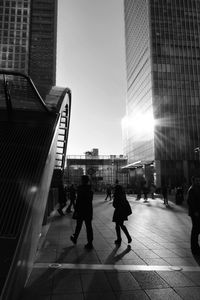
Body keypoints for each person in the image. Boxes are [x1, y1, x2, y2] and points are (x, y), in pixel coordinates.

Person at [70, 175, 94, 249]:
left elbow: (78, 201)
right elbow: (90, 200)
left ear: (82, 180)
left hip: (81, 210)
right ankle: (90, 243)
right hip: (88, 210)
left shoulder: (80, 189)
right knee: (89, 227)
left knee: (78, 225)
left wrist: (76, 210)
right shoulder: (90, 189)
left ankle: (75, 238)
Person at [112, 180, 132, 245]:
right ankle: (128, 237)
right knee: (121, 225)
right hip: (123, 212)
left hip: (118, 212)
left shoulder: (116, 195)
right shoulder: (123, 195)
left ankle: (119, 239)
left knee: (117, 225)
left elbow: (114, 205)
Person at [187, 176, 200, 255]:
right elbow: (191, 202)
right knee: (195, 230)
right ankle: (194, 247)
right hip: (195, 213)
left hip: (198, 212)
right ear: (193, 181)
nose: (198, 181)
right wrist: (195, 211)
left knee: (197, 230)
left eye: (199, 180)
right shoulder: (192, 189)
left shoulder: (197, 188)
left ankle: (196, 246)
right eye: (197, 180)